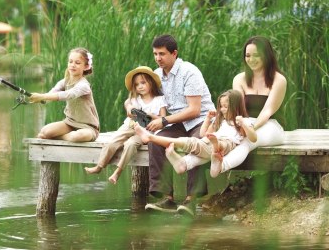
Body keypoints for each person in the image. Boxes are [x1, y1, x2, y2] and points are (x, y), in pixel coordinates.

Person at [125, 34, 215, 216]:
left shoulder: (189, 72)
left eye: (162, 54)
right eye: (155, 54)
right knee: (156, 140)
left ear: (174, 53)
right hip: (179, 121)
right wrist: (134, 109)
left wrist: (164, 120)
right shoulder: (156, 75)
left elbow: (195, 110)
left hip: (202, 120)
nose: (158, 58)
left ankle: (191, 199)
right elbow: (141, 97)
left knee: (196, 143)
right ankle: (167, 197)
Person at [134, 90, 257, 180]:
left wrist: (244, 124)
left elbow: (253, 137)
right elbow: (204, 133)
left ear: (236, 107)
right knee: (198, 141)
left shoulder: (242, 121)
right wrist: (208, 119)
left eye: (226, 106)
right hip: (209, 143)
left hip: (227, 143)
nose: (223, 109)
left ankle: (151, 137)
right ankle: (183, 164)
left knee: (197, 143)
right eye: (221, 106)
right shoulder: (219, 121)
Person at [212, 36, 287, 175]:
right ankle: (187, 162)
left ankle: (222, 165)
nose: (251, 59)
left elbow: (267, 111)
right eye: (248, 55)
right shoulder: (239, 79)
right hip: (246, 123)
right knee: (219, 137)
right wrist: (238, 126)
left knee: (248, 141)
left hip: (271, 125)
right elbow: (237, 109)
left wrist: (250, 128)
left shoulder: (279, 80)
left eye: (256, 55)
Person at [85, 66, 167, 184]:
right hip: (130, 126)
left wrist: (150, 115)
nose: (140, 86)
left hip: (145, 130)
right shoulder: (135, 99)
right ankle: (99, 166)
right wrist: (129, 108)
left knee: (130, 144)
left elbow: (163, 119)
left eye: (143, 82)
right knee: (112, 142)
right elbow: (128, 104)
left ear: (151, 82)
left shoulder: (159, 99)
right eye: (137, 84)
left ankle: (117, 172)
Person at [30, 47, 99, 142]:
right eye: (70, 62)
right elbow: (53, 92)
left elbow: (68, 94)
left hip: (88, 127)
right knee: (44, 132)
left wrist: (42, 96)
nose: (73, 65)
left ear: (86, 67)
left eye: (77, 63)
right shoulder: (64, 82)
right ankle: (67, 136)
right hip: (70, 123)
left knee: (77, 137)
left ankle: (61, 137)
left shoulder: (84, 85)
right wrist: (41, 98)